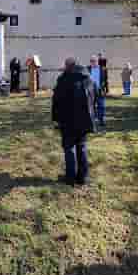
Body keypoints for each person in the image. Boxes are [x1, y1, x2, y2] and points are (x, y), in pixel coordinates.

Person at [52, 58, 97, 186]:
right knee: (81, 147)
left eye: (65, 65)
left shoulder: (63, 80)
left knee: (69, 148)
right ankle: (83, 177)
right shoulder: (87, 78)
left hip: (68, 121)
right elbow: (94, 96)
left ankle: (71, 178)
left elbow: (56, 101)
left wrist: (56, 119)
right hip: (83, 120)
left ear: (68, 66)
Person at [87, 56, 106, 127]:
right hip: (90, 90)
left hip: (100, 90)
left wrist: (105, 89)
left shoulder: (102, 69)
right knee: (91, 106)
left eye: (94, 61)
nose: (93, 62)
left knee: (101, 105)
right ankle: (93, 120)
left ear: (97, 61)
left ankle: (101, 120)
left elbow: (105, 80)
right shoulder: (87, 69)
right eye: (91, 61)